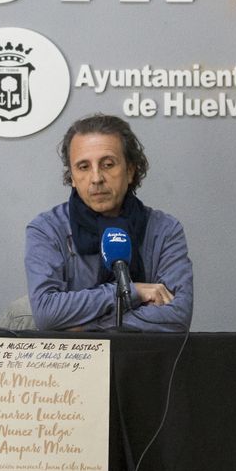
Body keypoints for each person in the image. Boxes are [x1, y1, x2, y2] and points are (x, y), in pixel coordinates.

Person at [24, 113, 194, 331]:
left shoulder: (165, 229)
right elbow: (47, 313)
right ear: (72, 177)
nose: (96, 178)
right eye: (83, 167)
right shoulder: (47, 229)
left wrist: (84, 327)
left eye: (108, 164)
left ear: (130, 170)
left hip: (141, 352)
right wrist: (132, 292)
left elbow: (177, 316)